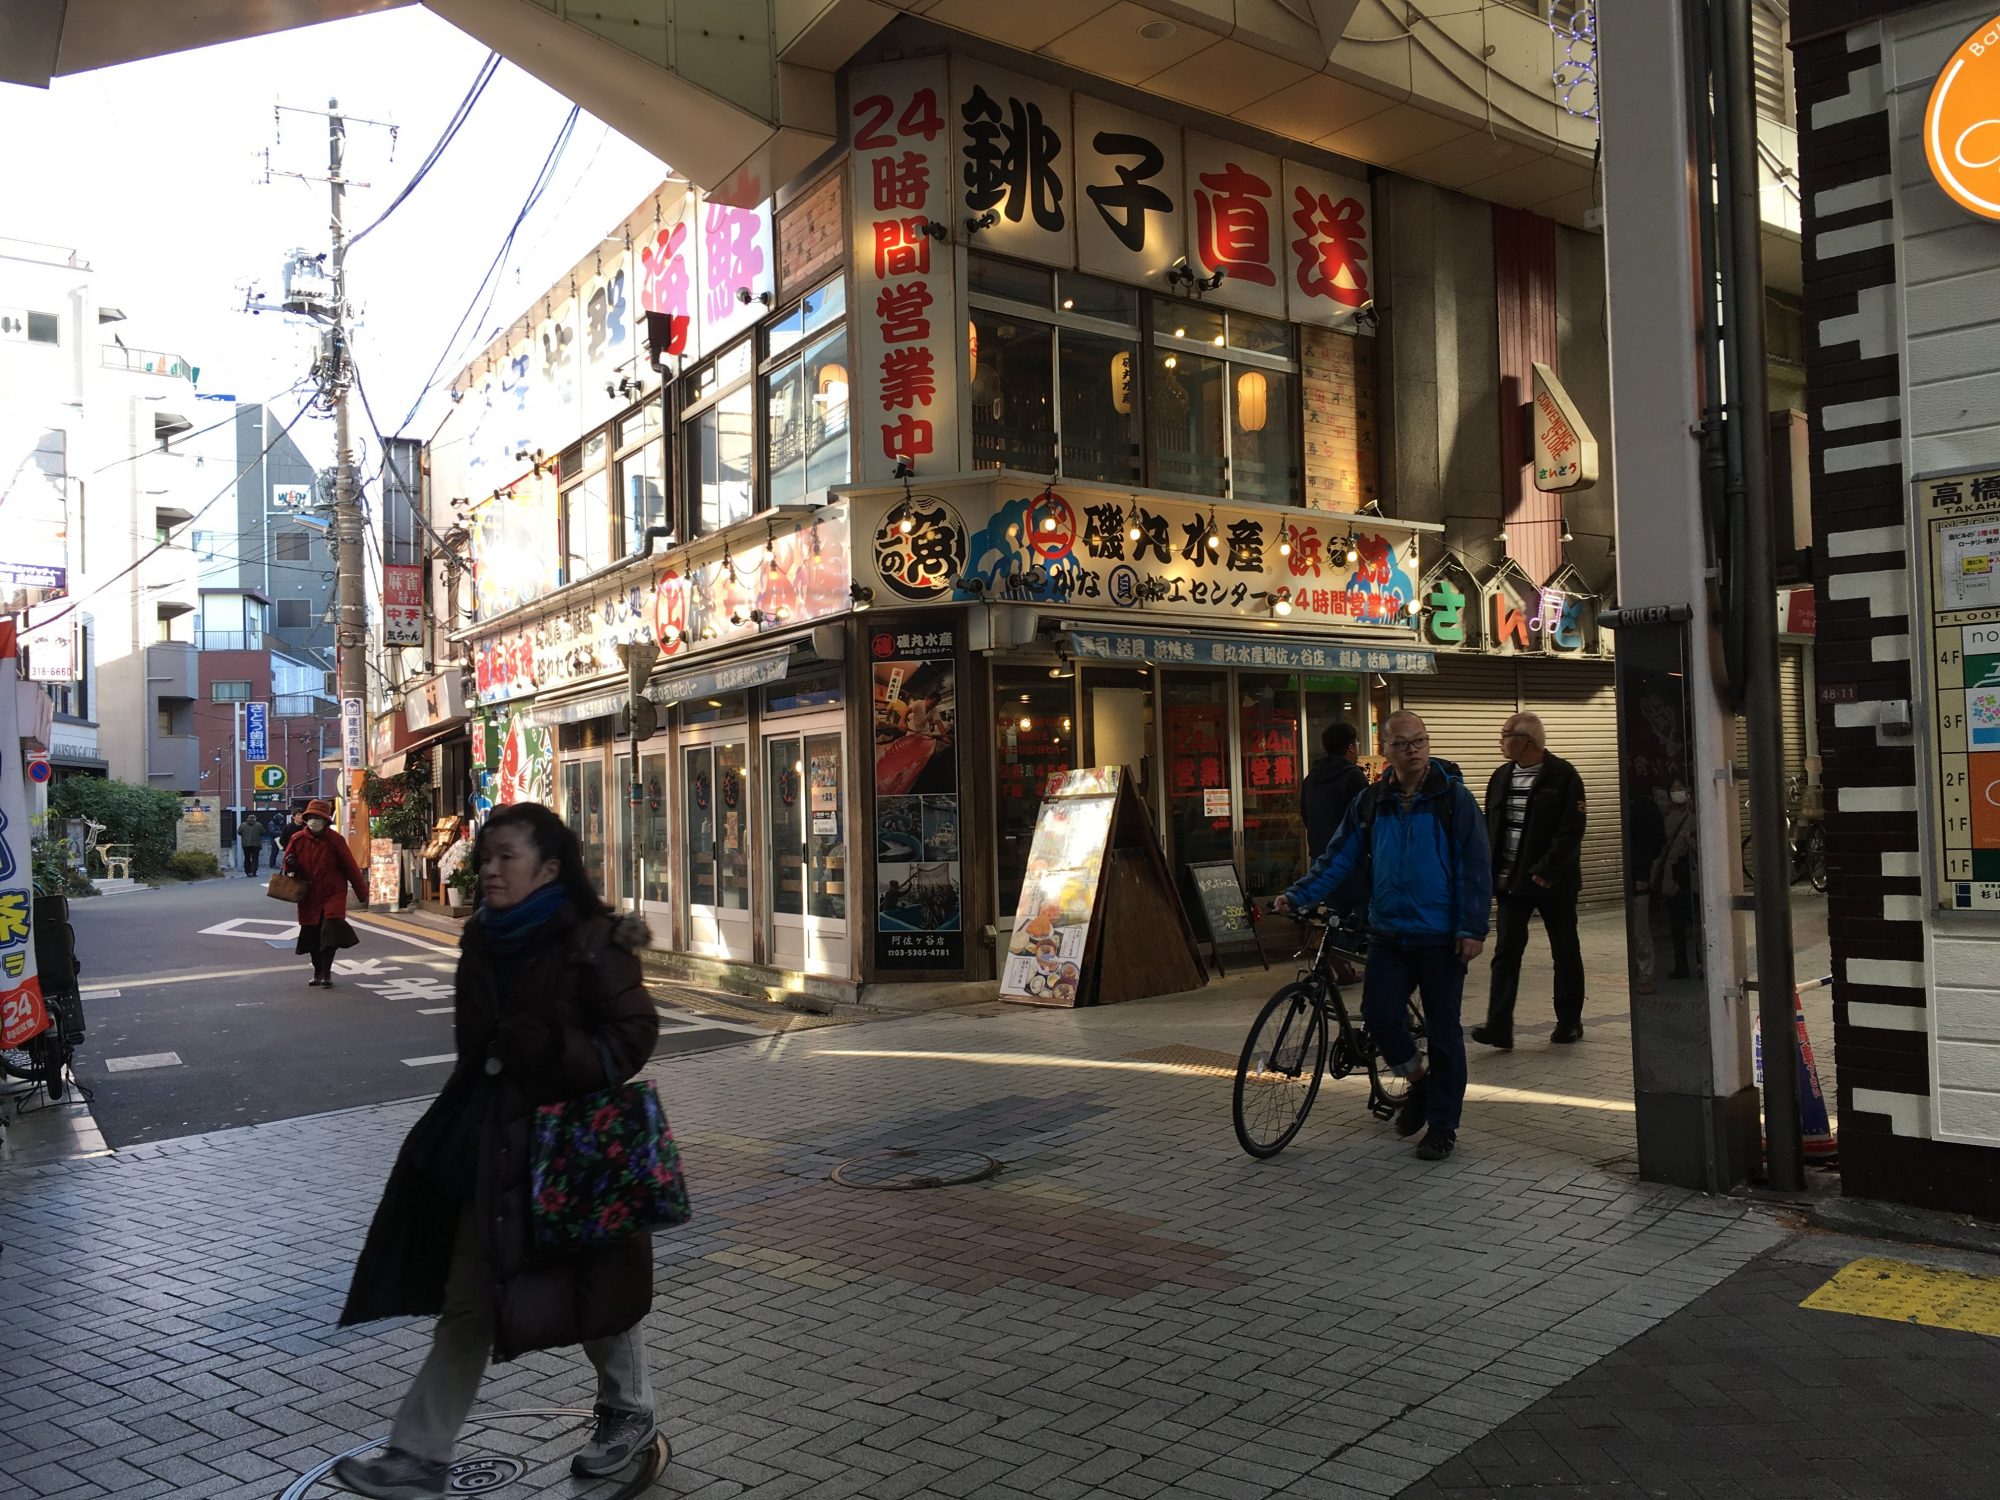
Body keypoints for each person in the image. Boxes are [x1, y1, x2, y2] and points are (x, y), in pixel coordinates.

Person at [335, 803, 661, 1498]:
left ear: (549, 868)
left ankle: (628, 1413)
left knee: (599, 1290)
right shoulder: (484, 936)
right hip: (493, 1148)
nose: (488, 869)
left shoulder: (592, 939)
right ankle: (417, 1457)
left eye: (506, 856)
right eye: (485, 856)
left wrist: (553, 1047)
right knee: (469, 1302)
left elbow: (631, 1038)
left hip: (572, 1151)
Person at [1272, 710, 1491, 1163]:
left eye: (1419, 741)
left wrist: (1472, 927)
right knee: (1379, 1016)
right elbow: (1337, 857)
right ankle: (1419, 1083)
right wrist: (1298, 895)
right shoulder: (1371, 802)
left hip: (1440, 937)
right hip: (1388, 932)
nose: (1412, 750)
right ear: (1384, 750)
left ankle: (1443, 1127)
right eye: (1402, 743)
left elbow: (1475, 866)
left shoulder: (1453, 799)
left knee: (1444, 1033)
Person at [1472, 711, 1588, 1050]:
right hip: (1511, 882)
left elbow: (1571, 830)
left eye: (1506, 734)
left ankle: (1569, 1021)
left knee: (1564, 951)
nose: (1500, 741)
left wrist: (1547, 869)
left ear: (1528, 741)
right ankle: (1499, 1026)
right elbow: (1491, 827)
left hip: (1554, 883)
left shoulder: (1563, 775)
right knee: (1506, 952)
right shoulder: (1501, 776)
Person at [284, 799, 368, 988]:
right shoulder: (297, 839)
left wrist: (361, 891)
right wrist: (290, 863)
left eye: (318, 817)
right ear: (306, 819)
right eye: (311, 817)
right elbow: (288, 865)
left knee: (330, 931)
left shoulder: (336, 840)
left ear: (326, 820)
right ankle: (318, 971)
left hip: (333, 893)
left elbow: (350, 867)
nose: (314, 821)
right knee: (312, 935)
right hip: (309, 894)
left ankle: (327, 972)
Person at [1300, 721, 1368, 858]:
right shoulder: (1353, 776)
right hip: (1348, 858)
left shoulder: (1310, 779)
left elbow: (1306, 816)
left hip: (1319, 858)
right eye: (1357, 744)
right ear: (1351, 748)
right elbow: (1366, 815)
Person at [237, 812, 266, 877]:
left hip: (246, 844)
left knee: (247, 858)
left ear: (248, 819)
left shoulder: (243, 825)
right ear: (255, 819)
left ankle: (248, 872)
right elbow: (263, 832)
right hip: (256, 844)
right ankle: (253, 872)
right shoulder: (259, 825)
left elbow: (239, 832)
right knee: (255, 858)